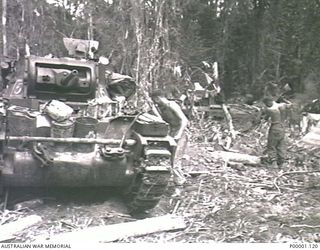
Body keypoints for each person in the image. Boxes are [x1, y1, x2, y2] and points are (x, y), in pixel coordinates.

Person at [262, 96, 292, 168]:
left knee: (271, 145)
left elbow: (264, 118)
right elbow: (291, 104)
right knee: (281, 145)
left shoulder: (269, 110)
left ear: (269, 102)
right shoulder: (282, 105)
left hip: (275, 127)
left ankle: (274, 162)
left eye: (266, 103)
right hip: (282, 127)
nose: (266, 105)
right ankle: (283, 162)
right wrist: (284, 99)